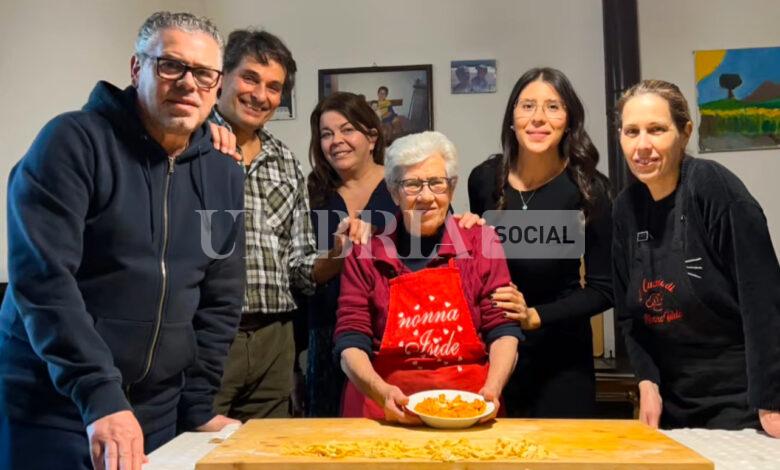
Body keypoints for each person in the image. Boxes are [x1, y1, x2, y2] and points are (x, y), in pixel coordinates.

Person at [0, 11, 245, 470]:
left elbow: (221, 295)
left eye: (204, 73)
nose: (188, 83)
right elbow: (44, 280)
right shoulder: (70, 143)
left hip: (159, 410)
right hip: (57, 406)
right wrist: (100, 396)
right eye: (171, 65)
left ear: (217, 86)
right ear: (137, 68)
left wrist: (196, 405)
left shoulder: (224, 173)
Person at [612, 79, 780, 436]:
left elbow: (763, 298)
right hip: (671, 406)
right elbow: (629, 317)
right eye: (631, 131)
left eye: (657, 129)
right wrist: (647, 381)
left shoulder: (712, 187)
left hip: (742, 404)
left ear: (685, 132)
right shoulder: (625, 209)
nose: (642, 145)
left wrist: (772, 397)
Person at [209, 29, 360, 421]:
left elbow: (299, 267)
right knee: (192, 447)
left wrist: (337, 255)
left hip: (274, 340)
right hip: (205, 333)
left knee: (269, 447)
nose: (261, 95)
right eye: (250, 78)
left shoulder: (285, 160)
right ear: (222, 77)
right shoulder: (189, 142)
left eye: (274, 87)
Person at [335, 131, 523, 423]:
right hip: (384, 409)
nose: (426, 197)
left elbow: (503, 330)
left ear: (451, 188)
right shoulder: (365, 253)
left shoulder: (481, 242)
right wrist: (381, 393)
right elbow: (350, 341)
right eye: (412, 185)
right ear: (394, 192)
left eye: (437, 183)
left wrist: (493, 389)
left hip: (470, 406)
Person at [468, 67, 613, 418]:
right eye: (527, 106)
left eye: (553, 107)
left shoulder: (589, 189)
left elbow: (604, 289)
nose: (538, 118)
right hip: (494, 352)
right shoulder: (484, 180)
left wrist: (534, 316)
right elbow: (479, 267)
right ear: (512, 118)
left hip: (561, 359)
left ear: (569, 120)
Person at [305, 92, 397, 416]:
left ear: (372, 138)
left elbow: (437, 248)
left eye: (347, 130)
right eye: (326, 134)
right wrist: (337, 255)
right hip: (327, 333)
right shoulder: (313, 192)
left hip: (391, 334)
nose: (336, 141)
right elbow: (305, 273)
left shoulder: (403, 183)